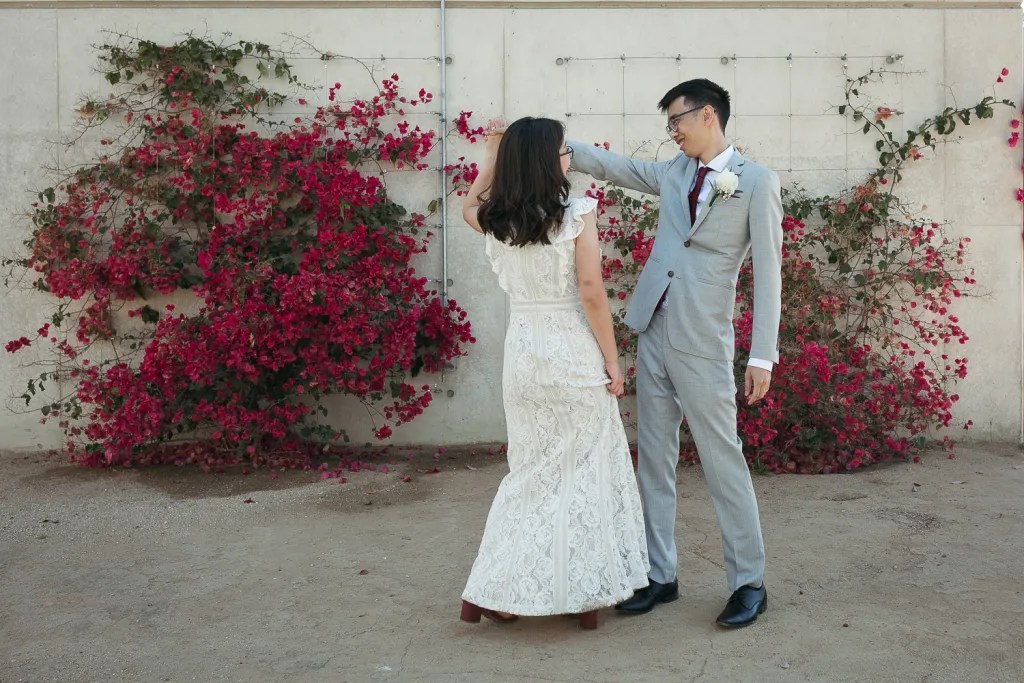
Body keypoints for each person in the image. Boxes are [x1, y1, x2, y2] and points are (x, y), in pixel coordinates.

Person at [567, 79, 782, 628]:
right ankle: (658, 574)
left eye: (676, 121)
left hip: (704, 339)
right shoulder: (674, 173)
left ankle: (749, 582)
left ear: (707, 115)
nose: (672, 132)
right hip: (654, 326)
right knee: (654, 456)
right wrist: (562, 147)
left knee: (722, 458)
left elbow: (769, 275)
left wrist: (762, 355)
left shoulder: (757, 182)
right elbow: (618, 167)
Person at [459, 116, 649, 630]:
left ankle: (494, 589)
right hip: (570, 353)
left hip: (522, 355)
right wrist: (612, 359)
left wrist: (491, 158)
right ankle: (577, 591)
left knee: (528, 473)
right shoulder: (577, 216)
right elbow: (591, 293)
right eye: (565, 151)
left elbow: (468, 206)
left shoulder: (497, 219)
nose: (570, 159)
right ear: (548, 160)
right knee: (581, 471)